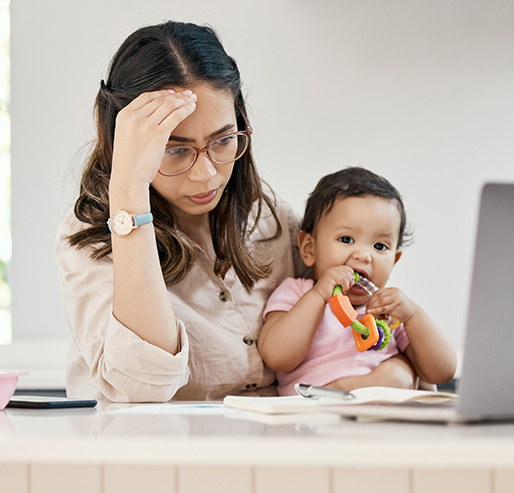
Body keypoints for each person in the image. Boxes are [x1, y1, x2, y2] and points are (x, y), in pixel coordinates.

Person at [55, 21, 418, 402]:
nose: (206, 173)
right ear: (127, 144)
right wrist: (128, 191)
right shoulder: (89, 239)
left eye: (224, 140)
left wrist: (400, 370)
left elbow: (347, 334)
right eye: (176, 149)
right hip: (156, 452)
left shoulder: (271, 220)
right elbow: (143, 386)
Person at [258, 167, 457, 396]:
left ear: (394, 260)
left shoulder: (390, 312)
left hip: (381, 423)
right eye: (346, 239)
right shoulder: (298, 292)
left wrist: (412, 316)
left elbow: (443, 372)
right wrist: (318, 296)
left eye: (380, 246)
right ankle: (339, 392)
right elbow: (276, 357)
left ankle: (352, 391)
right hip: (312, 420)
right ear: (309, 248)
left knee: (397, 379)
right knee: (394, 378)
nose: (364, 255)